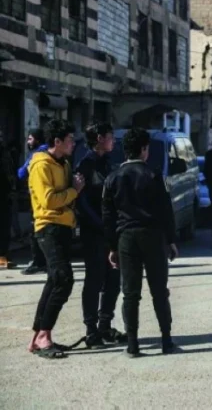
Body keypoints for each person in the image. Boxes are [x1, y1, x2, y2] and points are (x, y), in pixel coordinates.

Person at [102, 128, 177, 358]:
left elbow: (108, 217)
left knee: (130, 293)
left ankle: (133, 345)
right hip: (153, 237)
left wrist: (112, 246)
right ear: (144, 149)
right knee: (159, 291)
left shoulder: (112, 178)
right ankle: (166, 340)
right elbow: (166, 211)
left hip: (126, 239)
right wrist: (171, 240)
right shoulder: (154, 175)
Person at [28, 120, 85, 359]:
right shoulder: (41, 165)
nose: (73, 144)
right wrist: (74, 190)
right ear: (57, 141)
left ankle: (38, 337)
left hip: (64, 227)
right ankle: (44, 335)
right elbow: (49, 200)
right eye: (70, 140)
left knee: (54, 280)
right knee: (63, 279)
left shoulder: (64, 164)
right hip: (48, 227)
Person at [75, 122, 126, 348]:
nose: (113, 140)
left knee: (113, 278)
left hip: (112, 230)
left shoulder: (109, 163)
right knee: (94, 279)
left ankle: (105, 325)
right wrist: (100, 224)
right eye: (110, 136)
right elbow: (81, 201)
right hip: (93, 231)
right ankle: (91, 330)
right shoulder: (85, 165)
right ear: (99, 138)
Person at [18, 129, 48, 274]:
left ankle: (38, 262)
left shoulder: (37, 154)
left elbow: (22, 173)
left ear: (37, 139)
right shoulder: (51, 152)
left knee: (35, 230)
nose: (28, 142)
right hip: (49, 199)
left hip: (38, 198)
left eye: (30, 139)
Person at [0, 130, 16, 269]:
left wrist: (13, 188)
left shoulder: (5, 152)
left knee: (4, 226)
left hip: (5, 195)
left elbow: (9, 172)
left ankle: (2, 255)